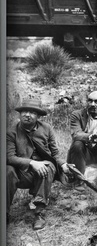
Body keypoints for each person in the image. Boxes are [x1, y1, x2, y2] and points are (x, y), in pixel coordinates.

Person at [7, 98, 71, 230]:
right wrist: (32, 163)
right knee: (7, 170)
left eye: (32, 112)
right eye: (24, 111)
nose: (27, 115)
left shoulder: (46, 129)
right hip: (22, 173)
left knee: (47, 166)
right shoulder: (11, 132)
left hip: (44, 172)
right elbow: (9, 157)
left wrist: (64, 165)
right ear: (20, 113)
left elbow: (55, 154)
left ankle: (39, 213)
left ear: (38, 116)